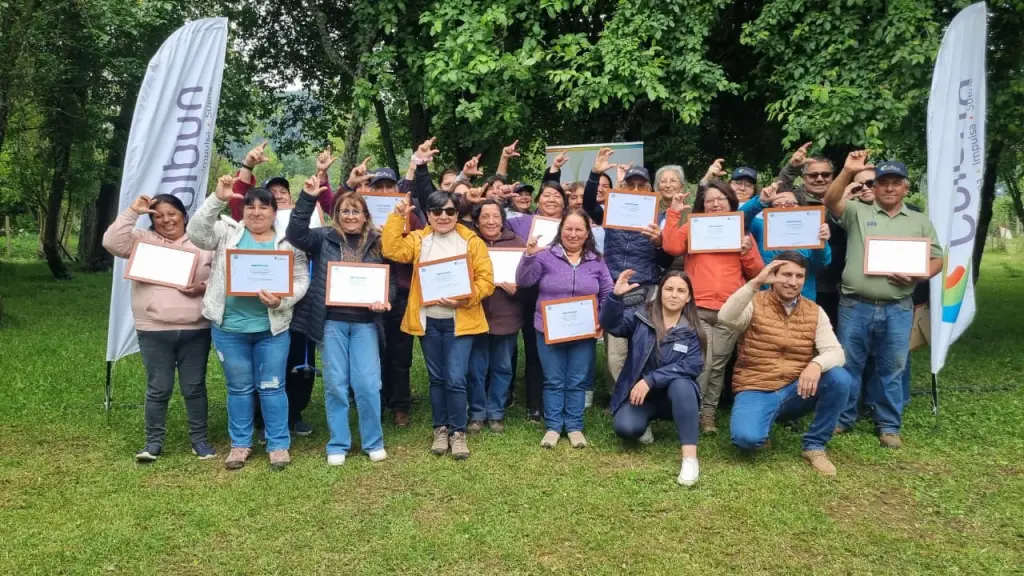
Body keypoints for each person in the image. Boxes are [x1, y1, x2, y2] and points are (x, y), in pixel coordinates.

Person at [187, 175, 310, 471]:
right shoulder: (227, 232)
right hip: (229, 328)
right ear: (243, 210)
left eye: (264, 207)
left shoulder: (288, 241)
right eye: (250, 206)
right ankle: (240, 444)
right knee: (239, 389)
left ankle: (278, 444)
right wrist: (217, 199)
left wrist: (282, 301)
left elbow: (301, 278)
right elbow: (196, 233)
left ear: (274, 211)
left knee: (272, 387)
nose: (257, 212)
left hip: (271, 329)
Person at [824, 151, 942, 448]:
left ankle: (889, 425)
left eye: (896, 183)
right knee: (848, 365)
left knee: (892, 368)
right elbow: (830, 200)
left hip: (898, 308)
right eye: (883, 183)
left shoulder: (919, 221)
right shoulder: (857, 212)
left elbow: (938, 259)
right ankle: (843, 418)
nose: (889, 188)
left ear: (906, 187)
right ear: (874, 188)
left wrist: (919, 275)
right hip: (855, 306)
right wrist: (847, 171)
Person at [286, 175, 393, 466]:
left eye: (356, 211)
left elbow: (389, 279)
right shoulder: (323, 238)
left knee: (369, 384)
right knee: (335, 383)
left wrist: (385, 300)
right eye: (345, 211)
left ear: (365, 215)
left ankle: (373, 441)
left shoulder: (378, 243)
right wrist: (307, 199)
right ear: (337, 216)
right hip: (331, 322)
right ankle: (338, 442)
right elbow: (295, 233)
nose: (350, 216)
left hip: (366, 324)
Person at [381, 190, 494, 459]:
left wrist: (466, 298)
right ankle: (440, 428)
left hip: (460, 321)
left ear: (457, 214)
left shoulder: (471, 241)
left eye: (450, 211)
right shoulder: (420, 239)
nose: (443, 216)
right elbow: (391, 249)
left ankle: (458, 432)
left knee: (455, 378)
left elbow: (486, 281)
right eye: (437, 211)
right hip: (428, 321)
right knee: (437, 378)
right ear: (428, 215)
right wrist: (397, 218)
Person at [102, 194, 215, 462]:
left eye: (172, 213)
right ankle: (153, 443)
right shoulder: (141, 239)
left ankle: (199, 441)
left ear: (184, 215)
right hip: (153, 328)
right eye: (158, 215)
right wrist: (132, 211)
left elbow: (222, 277)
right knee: (158, 387)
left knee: (194, 387)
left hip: (196, 327)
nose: (166, 220)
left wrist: (202, 287)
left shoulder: (203, 242)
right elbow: (111, 242)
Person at [232, 142, 333, 437]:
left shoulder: (308, 218)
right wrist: (248, 166)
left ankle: (296, 411)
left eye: (283, 193)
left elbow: (325, 203)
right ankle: (261, 416)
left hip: (302, 298)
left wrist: (321, 175)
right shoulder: (254, 221)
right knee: (268, 361)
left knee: (300, 358)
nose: (278, 196)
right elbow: (239, 203)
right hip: (261, 303)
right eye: (271, 194)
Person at [719, 255, 852, 476]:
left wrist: (816, 365)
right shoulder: (754, 302)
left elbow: (836, 352)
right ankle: (762, 424)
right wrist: (754, 283)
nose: (793, 282)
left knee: (840, 378)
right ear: (773, 277)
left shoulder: (814, 311)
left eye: (799, 276)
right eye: (786, 275)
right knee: (746, 439)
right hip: (757, 386)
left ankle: (815, 446)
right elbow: (725, 317)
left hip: (796, 389)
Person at [662, 180, 765, 433]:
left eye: (721, 198)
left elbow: (758, 273)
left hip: (730, 310)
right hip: (698, 308)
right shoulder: (693, 227)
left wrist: (747, 251)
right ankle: (693, 412)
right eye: (710, 200)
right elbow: (671, 246)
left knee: (718, 364)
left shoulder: (742, 233)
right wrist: (674, 211)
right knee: (703, 363)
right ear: (703, 204)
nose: (715, 204)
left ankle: (708, 415)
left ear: (731, 201)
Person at [517, 208, 613, 449]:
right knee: (553, 379)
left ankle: (574, 426)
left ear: (587, 232)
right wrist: (528, 256)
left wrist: (602, 318)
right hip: (548, 329)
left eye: (578, 229)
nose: (573, 234)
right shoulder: (545, 256)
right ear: (560, 231)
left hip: (583, 331)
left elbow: (607, 292)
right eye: (568, 229)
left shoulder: (596, 260)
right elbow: (524, 281)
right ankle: (552, 427)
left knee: (577, 380)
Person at [582, 149, 672, 406]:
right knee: (616, 353)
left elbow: (665, 262)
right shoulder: (612, 211)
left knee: (646, 347)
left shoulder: (661, 219)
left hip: (647, 289)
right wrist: (596, 173)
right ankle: (618, 397)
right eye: (630, 184)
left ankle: (644, 397)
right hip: (616, 289)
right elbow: (589, 206)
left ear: (648, 189)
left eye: (640, 185)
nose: (634, 189)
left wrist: (658, 243)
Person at [603, 269, 706, 486]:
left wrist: (651, 379)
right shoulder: (641, 316)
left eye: (680, 291)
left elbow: (692, 365)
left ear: (688, 297)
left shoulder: (693, 329)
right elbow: (611, 325)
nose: (673, 295)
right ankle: (645, 422)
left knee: (682, 385)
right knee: (626, 429)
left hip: (674, 398)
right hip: (642, 398)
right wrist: (615, 297)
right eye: (668, 289)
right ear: (660, 293)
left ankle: (690, 459)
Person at [467, 200, 525, 433]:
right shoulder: (469, 243)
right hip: (476, 315)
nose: (490, 221)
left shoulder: (517, 243)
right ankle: (478, 412)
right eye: (485, 217)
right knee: (476, 367)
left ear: (503, 219)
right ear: (477, 221)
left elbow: (529, 278)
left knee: (502, 367)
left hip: (507, 315)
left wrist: (518, 286)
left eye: (495, 216)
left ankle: (497, 412)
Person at [748, 185, 832, 300]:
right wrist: (760, 201)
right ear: (767, 211)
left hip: (802, 300)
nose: (783, 208)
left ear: (800, 206)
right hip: (767, 300)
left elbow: (822, 263)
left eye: (789, 204)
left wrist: (822, 242)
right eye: (776, 205)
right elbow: (740, 220)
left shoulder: (811, 228)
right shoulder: (761, 226)